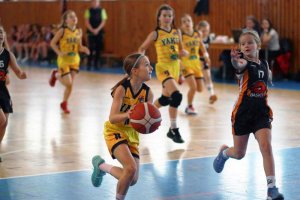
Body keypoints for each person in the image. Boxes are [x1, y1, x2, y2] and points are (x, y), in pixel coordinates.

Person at [213, 30, 284, 200]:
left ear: (258, 45)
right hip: (243, 113)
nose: (246, 45)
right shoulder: (243, 63)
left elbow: (265, 79)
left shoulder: (265, 64)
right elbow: (238, 66)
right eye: (243, 43)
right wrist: (233, 60)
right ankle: (224, 154)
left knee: (266, 146)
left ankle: (271, 189)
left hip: (261, 112)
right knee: (239, 153)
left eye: (250, 42)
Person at [91, 53, 154, 200]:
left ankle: (101, 166)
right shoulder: (122, 89)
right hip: (115, 131)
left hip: (132, 134)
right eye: (147, 64)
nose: (151, 67)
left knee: (132, 179)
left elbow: (145, 121)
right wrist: (128, 115)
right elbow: (112, 118)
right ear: (135, 70)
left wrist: (150, 123)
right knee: (130, 168)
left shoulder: (148, 93)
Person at [138, 4, 187, 143]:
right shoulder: (156, 34)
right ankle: (173, 129)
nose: (167, 18)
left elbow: (180, 52)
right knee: (177, 96)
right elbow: (142, 48)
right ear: (159, 17)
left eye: (170, 16)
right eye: (164, 15)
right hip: (163, 67)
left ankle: (145, 115)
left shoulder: (177, 32)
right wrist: (141, 62)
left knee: (165, 99)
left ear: (173, 18)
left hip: (175, 67)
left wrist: (182, 59)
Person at [49, 10, 90, 114]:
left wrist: (84, 49)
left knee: (70, 85)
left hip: (75, 60)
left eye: (74, 16)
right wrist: (59, 52)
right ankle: (56, 75)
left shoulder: (79, 31)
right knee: (69, 83)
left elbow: (79, 47)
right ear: (66, 20)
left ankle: (64, 103)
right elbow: (52, 43)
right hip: (64, 60)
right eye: (71, 17)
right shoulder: (62, 31)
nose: (74, 18)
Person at [0, 25, 27, 143]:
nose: (0, 35)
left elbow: (18, 71)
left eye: (1, 32)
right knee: (2, 120)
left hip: (3, 91)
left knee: (4, 124)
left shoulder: (8, 55)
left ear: (4, 36)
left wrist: (22, 75)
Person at [179, 14, 210, 115]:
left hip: (196, 64)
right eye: (184, 22)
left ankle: (182, 77)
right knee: (193, 87)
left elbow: (202, 46)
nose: (187, 23)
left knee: (200, 89)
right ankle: (189, 106)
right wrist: (181, 53)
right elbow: (176, 51)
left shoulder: (197, 34)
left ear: (192, 23)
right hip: (186, 64)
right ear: (182, 25)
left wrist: (206, 55)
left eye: (188, 21)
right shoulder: (181, 36)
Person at [197, 20, 217, 104]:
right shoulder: (196, 38)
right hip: (195, 61)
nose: (205, 33)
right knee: (197, 83)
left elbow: (214, 36)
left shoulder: (209, 38)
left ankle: (212, 95)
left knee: (208, 77)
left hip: (204, 60)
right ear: (198, 30)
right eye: (203, 31)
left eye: (207, 31)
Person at [84, 0, 107, 70]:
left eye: (96, 2)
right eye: (93, 2)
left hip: (99, 32)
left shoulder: (102, 10)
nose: (95, 3)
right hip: (90, 32)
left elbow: (103, 22)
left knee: (98, 48)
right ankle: (89, 64)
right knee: (90, 48)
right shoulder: (88, 11)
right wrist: (92, 30)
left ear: (98, 3)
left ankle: (96, 64)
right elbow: (87, 22)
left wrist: (97, 30)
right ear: (91, 3)